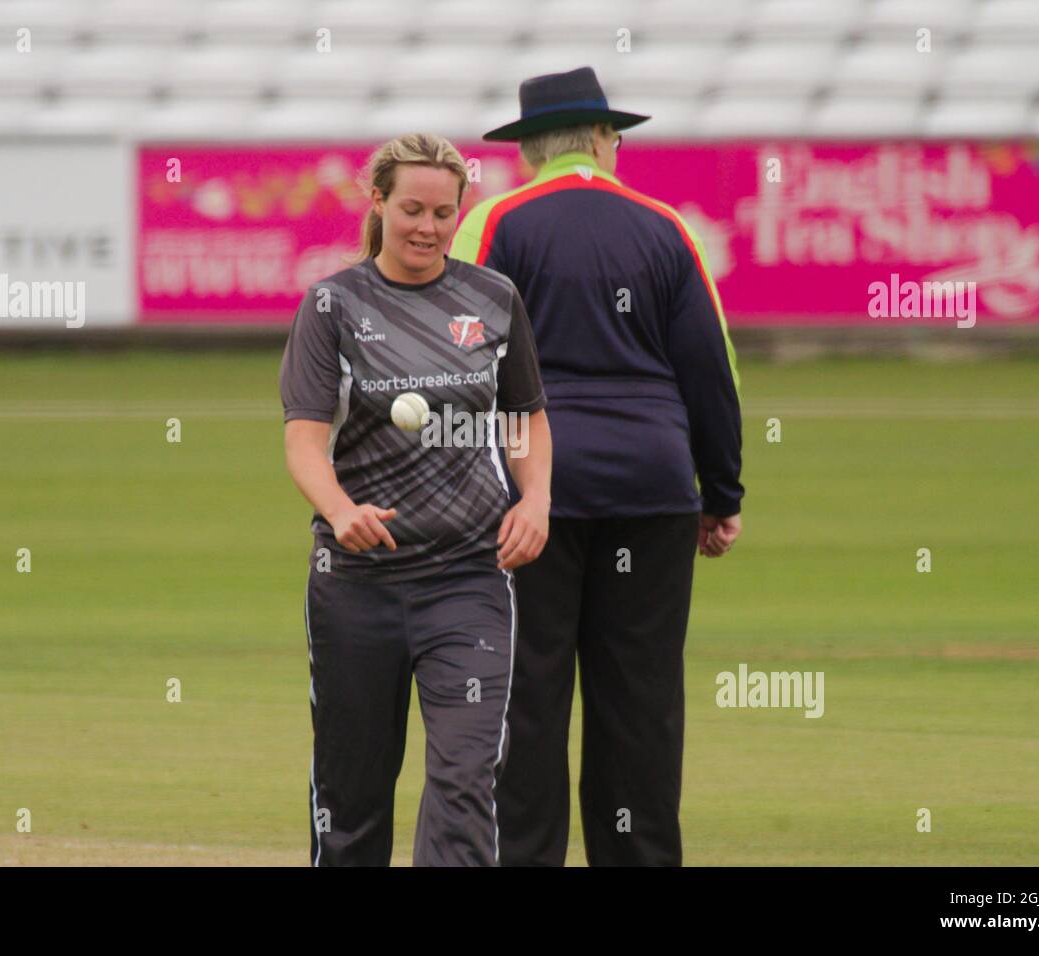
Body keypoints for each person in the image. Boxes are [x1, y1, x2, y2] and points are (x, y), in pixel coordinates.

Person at [449, 67, 744, 866]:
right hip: (652, 489)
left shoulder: (492, 222)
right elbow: (709, 370)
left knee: (527, 703)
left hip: (529, 496)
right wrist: (720, 492)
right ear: (605, 140)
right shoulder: (666, 226)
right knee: (640, 705)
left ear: (527, 151)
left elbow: (461, 361)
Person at [280, 132, 552, 866]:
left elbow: (525, 415)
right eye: (410, 209)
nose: (426, 227)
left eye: (442, 211)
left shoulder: (493, 299)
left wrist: (535, 501)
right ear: (378, 202)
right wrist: (341, 512)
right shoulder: (332, 306)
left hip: (468, 578)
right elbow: (304, 439)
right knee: (353, 794)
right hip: (357, 585)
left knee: (465, 778)